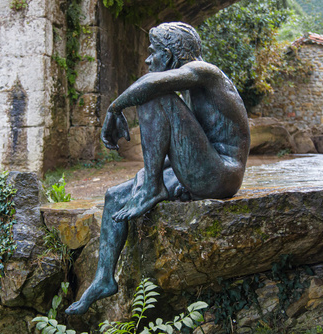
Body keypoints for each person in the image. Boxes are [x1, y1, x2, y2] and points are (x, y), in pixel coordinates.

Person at [65, 22, 250, 315]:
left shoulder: (206, 72)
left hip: (221, 175)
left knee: (153, 93)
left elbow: (149, 85)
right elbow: (188, 140)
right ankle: (103, 279)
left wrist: (114, 109)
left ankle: (153, 185)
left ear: (171, 55)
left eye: (153, 53)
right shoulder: (194, 85)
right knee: (116, 195)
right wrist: (162, 170)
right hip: (205, 167)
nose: (149, 60)